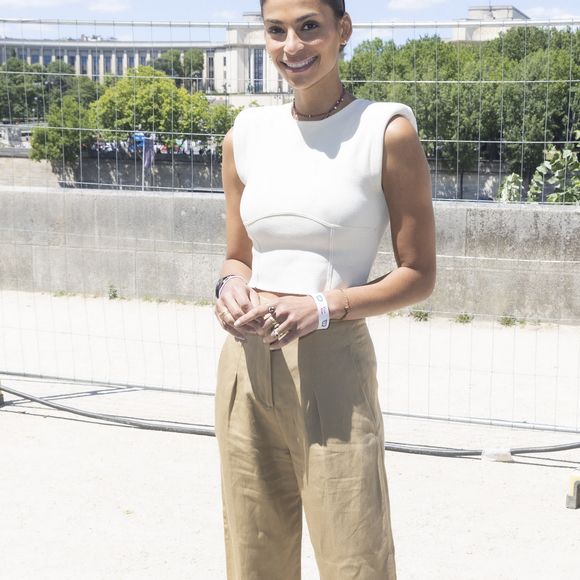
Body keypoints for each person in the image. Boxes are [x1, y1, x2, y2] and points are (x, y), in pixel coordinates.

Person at [213, 0, 436, 578]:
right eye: (276, 30)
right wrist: (227, 287)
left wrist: (325, 305)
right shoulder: (245, 134)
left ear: (344, 30)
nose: (293, 46)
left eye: (309, 27)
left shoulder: (385, 129)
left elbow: (419, 274)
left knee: (353, 555)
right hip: (244, 363)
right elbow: (238, 256)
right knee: (252, 551)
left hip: (333, 362)